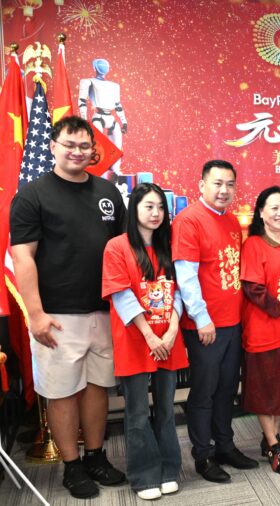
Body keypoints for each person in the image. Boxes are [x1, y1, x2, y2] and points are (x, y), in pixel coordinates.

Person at [10, 116, 126, 499]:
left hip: (104, 311)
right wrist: (36, 314)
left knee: (98, 387)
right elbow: (22, 257)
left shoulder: (108, 193)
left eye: (83, 146)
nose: (77, 152)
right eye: (69, 144)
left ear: (93, 150)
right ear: (53, 147)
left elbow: (123, 251)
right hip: (56, 316)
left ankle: (95, 456)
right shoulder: (32, 195)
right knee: (61, 392)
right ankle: (72, 467)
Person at [172, 160, 258, 483]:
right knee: (204, 392)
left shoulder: (232, 220)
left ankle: (225, 446)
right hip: (205, 326)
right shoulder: (189, 220)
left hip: (232, 322)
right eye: (217, 183)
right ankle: (203, 455)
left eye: (230, 184)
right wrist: (201, 318)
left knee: (226, 389)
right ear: (201, 185)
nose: (224, 190)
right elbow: (186, 276)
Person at [102, 183, 186, 500]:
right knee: (137, 412)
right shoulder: (116, 247)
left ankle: (169, 470)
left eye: (160, 207)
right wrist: (149, 334)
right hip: (136, 340)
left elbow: (180, 291)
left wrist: (172, 329)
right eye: (148, 206)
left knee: (166, 409)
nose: (156, 213)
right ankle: (144, 475)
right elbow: (121, 295)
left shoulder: (169, 245)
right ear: (134, 208)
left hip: (168, 339)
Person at [240, 186, 280, 474]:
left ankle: (272, 439)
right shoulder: (254, 245)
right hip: (263, 329)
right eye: (274, 208)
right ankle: (273, 445)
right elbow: (253, 289)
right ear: (261, 212)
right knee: (266, 391)